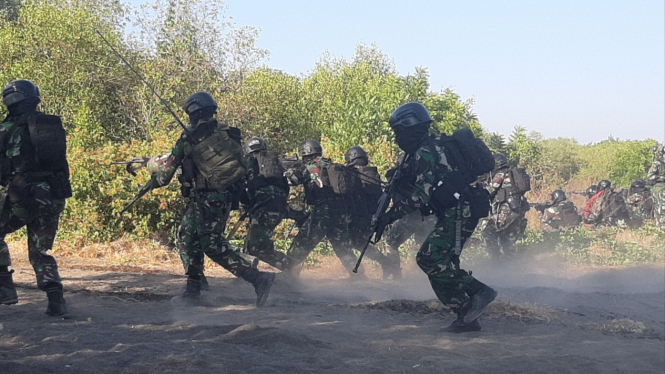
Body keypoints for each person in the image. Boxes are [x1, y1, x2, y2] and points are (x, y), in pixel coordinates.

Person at [145, 92, 274, 307]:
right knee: (188, 234)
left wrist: (152, 173)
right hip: (223, 197)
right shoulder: (229, 134)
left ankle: (258, 278)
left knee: (211, 244)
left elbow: (165, 175)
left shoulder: (188, 138)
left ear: (192, 113)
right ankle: (194, 287)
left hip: (205, 198)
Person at [384, 102, 497, 333]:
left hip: (460, 211)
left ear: (408, 127)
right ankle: (466, 316)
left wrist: (391, 215)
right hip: (456, 210)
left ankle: (479, 291)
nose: (397, 137)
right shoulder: (429, 147)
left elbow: (420, 197)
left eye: (398, 131)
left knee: (429, 258)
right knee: (443, 263)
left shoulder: (425, 150)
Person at [0, 80, 72, 316]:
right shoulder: (49, 125)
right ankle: (56, 301)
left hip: (24, 195)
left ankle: (4, 287)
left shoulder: (6, 129)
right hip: (54, 194)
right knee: (41, 250)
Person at [286, 139, 365, 279]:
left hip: (323, 210)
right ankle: (359, 277)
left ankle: (289, 275)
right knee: (342, 247)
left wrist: (287, 172)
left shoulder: (310, 166)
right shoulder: (331, 165)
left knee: (302, 242)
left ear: (305, 152)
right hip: (340, 210)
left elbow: (293, 180)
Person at [344, 146, 401, 279]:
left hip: (361, 216)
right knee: (359, 242)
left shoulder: (356, 174)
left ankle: (386, 263)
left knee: (356, 242)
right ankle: (387, 264)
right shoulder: (370, 173)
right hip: (372, 215)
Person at [241, 136, 296, 271]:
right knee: (254, 242)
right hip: (279, 207)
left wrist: (246, 202)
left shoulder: (249, 163)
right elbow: (286, 187)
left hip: (263, 207)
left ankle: (290, 265)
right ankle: (246, 272)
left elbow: (241, 184)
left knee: (257, 248)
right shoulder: (276, 164)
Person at [481, 153, 530, 260]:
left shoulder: (501, 174)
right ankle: (509, 264)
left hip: (506, 210)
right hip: (517, 210)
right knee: (507, 237)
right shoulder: (513, 174)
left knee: (488, 232)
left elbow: (489, 190)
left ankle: (496, 259)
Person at [647, 145, 665, 230]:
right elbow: (650, 176)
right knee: (661, 209)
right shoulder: (658, 163)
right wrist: (661, 178)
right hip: (660, 189)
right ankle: (661, 229)